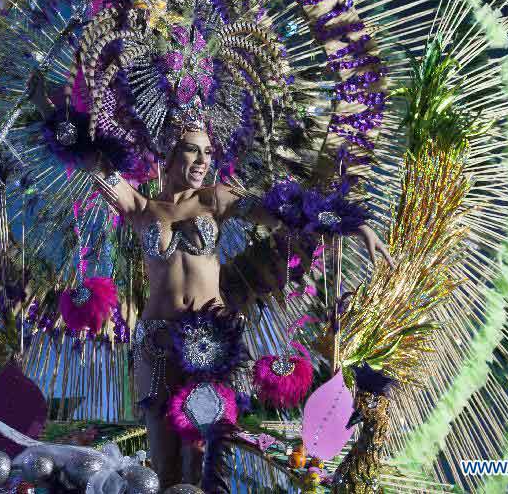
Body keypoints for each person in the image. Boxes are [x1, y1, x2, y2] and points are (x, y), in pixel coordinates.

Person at [89, 127, 391, 487]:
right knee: (164, 458)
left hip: (209, 342)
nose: (203, 161)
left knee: (201, 457)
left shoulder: (217, 199)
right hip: (156, 341)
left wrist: (353, 226)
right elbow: (95, 166)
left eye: (208, 152)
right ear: (167, 156)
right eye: (191, 150)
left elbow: (287, 213)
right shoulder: (141, 207)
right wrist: (55, 117)